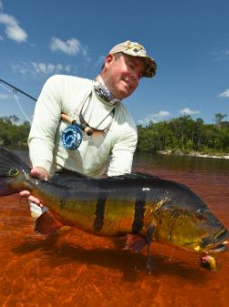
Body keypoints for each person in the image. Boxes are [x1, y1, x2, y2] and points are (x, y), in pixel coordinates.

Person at [20, 40, 157, 219]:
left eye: (139, 75)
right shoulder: (60, 85)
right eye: (131, 66)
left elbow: (119, 181)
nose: (135, 77)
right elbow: (42, 137)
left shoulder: (129, 128)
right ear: (109, 60)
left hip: (88, 210)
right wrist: (41, 170)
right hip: (46, 194)